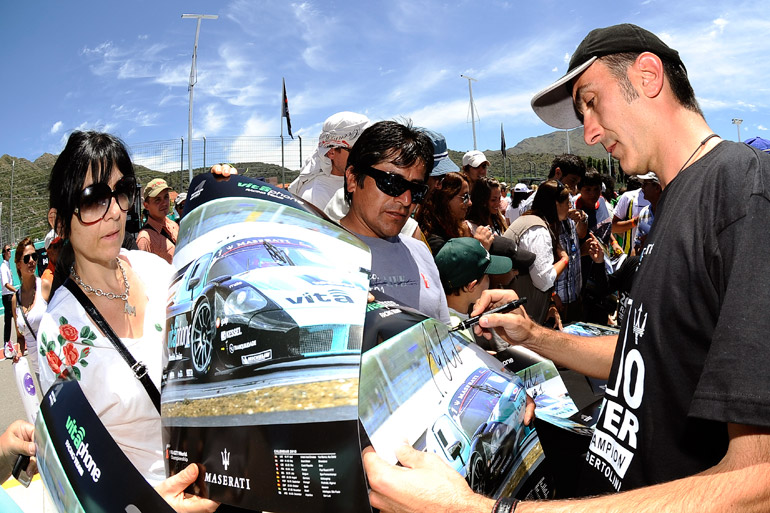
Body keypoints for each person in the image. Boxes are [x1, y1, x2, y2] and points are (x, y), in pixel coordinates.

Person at [364, 23, 770, 512]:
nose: (590, 132)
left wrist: (475, 511)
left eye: (592, 102)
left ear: (647, 75)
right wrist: (532, 335)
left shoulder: (742, 189)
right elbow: (649, 350)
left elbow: (757, 483)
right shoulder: (678, 199)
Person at [37, 131, 217, 512]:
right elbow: (81, 477)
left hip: (222, 483)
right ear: (59, 220)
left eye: (122, 191)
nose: (116, 210)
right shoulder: (59, 335)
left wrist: (224, 197)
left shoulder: (154, 270)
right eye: (93, 199)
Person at [339, 120, 450, 323]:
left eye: (416, 190)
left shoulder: (421, 252)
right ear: (353, 179)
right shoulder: (313, 255)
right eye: (392, 183)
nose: (406, 200)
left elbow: (445, 337)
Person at [503, 180, 570, 325]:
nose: (570, 207)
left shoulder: (533, 221)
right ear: (555, 204)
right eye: (567, 203)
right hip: (519, 314)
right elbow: (543, 280)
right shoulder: (537, 230)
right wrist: (565, 259)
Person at [434, 237, 512, 353]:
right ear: (472, 286)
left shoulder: (442, 316)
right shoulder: (457, 330)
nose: (490, 279)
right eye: (487, 275)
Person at [288, 111, 370, 209]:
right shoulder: (315, 198)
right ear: (331, 152)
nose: (364, 156)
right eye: (357, 151)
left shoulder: (361, 177)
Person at [415, 172, 481, 254]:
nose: (470, 203)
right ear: (445, 199)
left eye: (469, 196)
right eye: (465, 197)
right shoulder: (435, 244)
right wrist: (479, 249)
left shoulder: (453, 231)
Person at [11, 237, 49, 377]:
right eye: (27, 258)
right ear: (19, 265)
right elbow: (21, 336)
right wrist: (19, 352)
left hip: (57, 365)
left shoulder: (44, 287)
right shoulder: (16, 299)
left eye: (34, 256)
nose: (32, 260)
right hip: (38, 370)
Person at [136, 178, 179, 264]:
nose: (164, 203)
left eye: (166, 197)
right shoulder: (145, 239)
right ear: (146, 205)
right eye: (157, 200)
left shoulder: (173, 225)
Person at [1, 244, 16, 359]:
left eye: (10, 249)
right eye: (7, 250)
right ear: (4, 253)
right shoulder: (3, 267)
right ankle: (7, 345)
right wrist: (16, 290)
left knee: (14, 319)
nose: (10, 251)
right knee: (9, 321)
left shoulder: (8, 266)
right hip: (8, 296)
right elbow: (6, 284)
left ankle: (10, 344)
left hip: (10, 295)